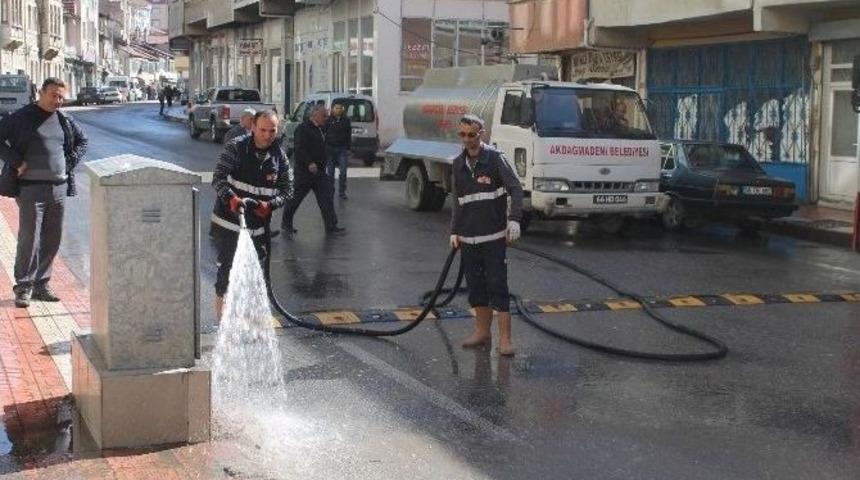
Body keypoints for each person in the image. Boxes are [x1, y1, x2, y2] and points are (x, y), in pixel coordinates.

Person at [0, 78, 88, 308]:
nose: (57, 101)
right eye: (53, 95)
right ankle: (23, 287)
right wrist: (17, 161)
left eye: (61, 97)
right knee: (29, 238)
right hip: (30, 188)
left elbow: (82, 141)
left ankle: (41, 285)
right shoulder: (21, 117)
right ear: (41, 92)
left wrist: (68, 164)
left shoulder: (64, 120)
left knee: (52, 238)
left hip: (58, 187)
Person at [450, 114, 523, 356]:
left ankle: (505, 340)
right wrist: (454, 231)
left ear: (482, 133)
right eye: (462, 135)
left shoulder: (495, 159)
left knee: (497, 287)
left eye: (472, 135)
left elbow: (515, 188)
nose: (467, 140)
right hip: (469, 239)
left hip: (493, 238)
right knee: (476, 288)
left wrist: (514, 220)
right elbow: (458, 201)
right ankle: (482, 332)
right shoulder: (458, 164)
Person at [210, 110, 293, 324]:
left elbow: (287, 190)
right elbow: (218, 178)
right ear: (253, 127)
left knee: (253, 275)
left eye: (272, 131)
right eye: (263, 130)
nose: (267, 135)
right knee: (227, 270)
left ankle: (247, 321)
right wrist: (231, 198)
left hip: (257, 228)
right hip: (228, 224)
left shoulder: (279, 157)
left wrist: (270, 205)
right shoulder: (236, 148)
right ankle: (224, 323)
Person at [281, 105, 345, 235]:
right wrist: (309, 162)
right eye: (324, 116)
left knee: (326, 197)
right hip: (304, 172)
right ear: (314, 115)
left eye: (327, 116)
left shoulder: (321, 128)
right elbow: (300, 149)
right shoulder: (303, 129)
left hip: (319, 172)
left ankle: (331, 226)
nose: (326, 118)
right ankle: (286, 222)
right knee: (295, 198)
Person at [324, 101, 351, 200]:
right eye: (336, 108)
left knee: (343, 171)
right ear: (332, 109)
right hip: (330, 149)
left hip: (342, 149)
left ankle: (342, 192)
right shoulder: (328, 120)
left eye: (340, 108)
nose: (338, 110)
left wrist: (348, 148)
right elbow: (323, 133)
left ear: (343, 109)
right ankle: (330, 192)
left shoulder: (346, 121)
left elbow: (349, 135)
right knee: (330, 173)